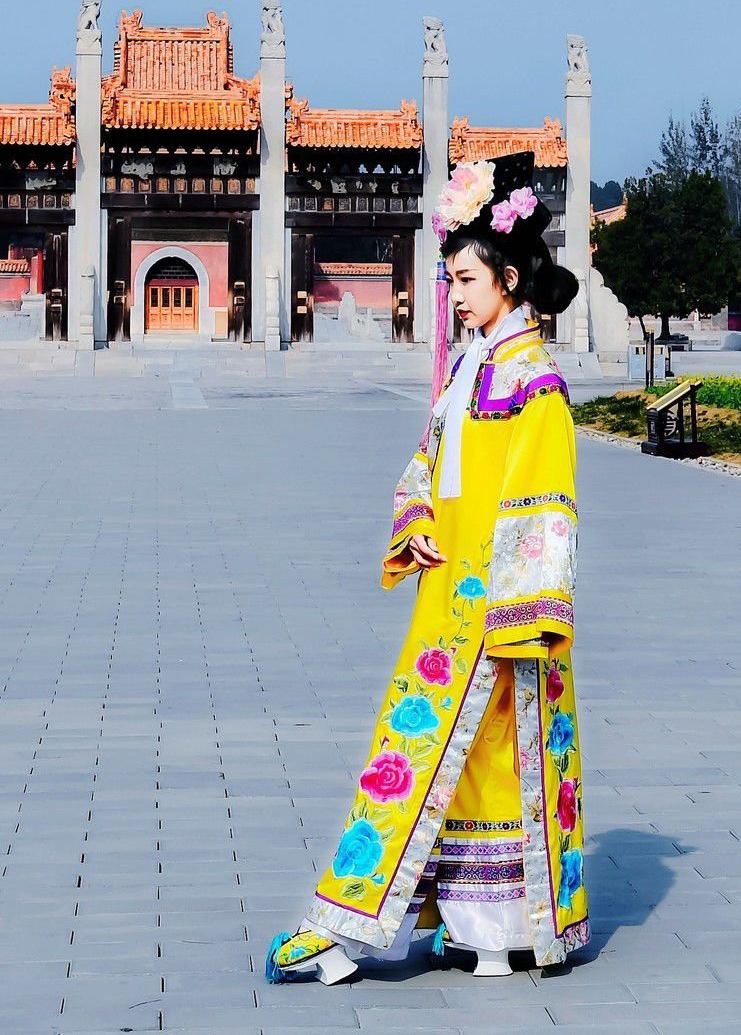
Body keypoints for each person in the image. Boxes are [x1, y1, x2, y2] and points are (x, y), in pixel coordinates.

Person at [266, 152, 589, 984]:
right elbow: (426, 465)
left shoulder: (535, 383)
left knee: (486, 758)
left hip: (501, 607)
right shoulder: (467, 371)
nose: (456, 295)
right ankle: (450, 921)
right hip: (448, 596)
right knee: (434, 752)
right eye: (450, 280)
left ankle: (484, 926)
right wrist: (415, 528)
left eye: (468, 279)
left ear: (509, 278)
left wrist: (519, 612)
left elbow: (544, 503)